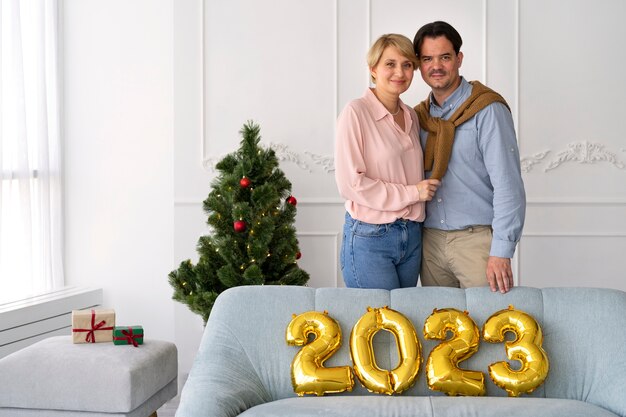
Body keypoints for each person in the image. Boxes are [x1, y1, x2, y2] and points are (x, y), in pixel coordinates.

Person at [412, 21, 526, 294]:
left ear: (459, 59)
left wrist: (501, 251)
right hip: (430, 243)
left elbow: (508, 186)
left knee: (490, 330)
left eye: (445, 57)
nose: (436, 66)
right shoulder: (419, 117)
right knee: (441, 331)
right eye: (427, 58)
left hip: (477, 243)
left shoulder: (487, 109)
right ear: (419, 64)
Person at [335, 34, 441, 290]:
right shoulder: (356, 112)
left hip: (412, 235)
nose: (400, 72)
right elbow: (351, 184)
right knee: (379, 325)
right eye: (390, 64)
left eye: (407, 64)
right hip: (371, 236)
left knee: (404, 323)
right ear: (373, 69)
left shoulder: (411, 116)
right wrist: (412, 192)